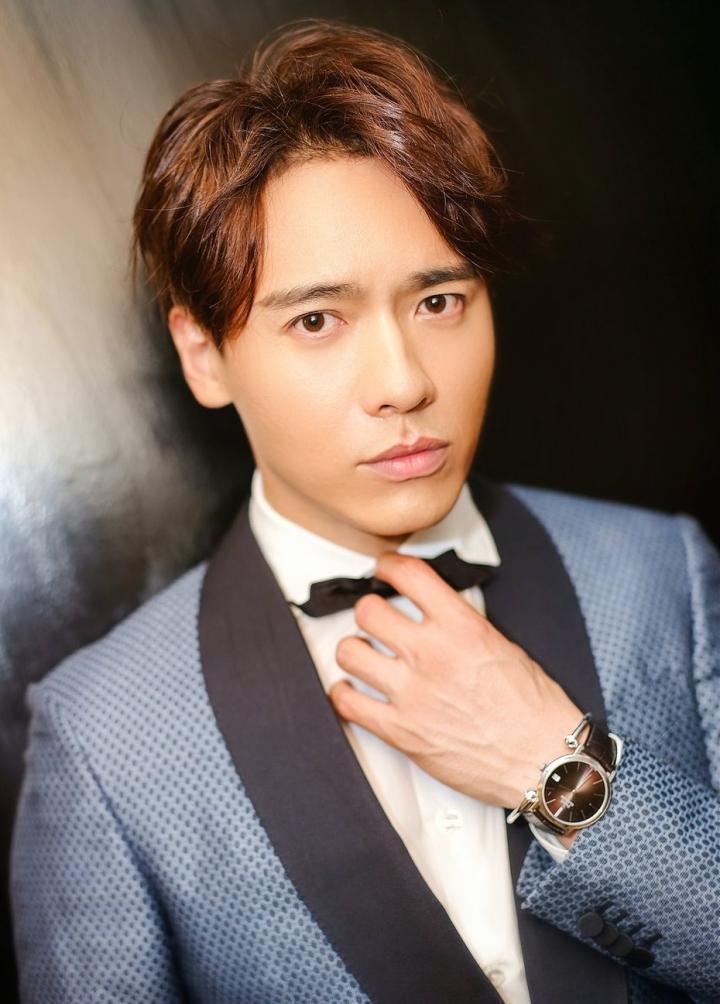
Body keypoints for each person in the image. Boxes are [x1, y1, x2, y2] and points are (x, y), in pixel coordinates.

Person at [10, 17, 719, 1004]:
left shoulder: (661, 572)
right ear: (204, 355)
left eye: (439, 302)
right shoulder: (103, 733)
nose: (404, 382)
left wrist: (557, 770)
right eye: (317, 319)